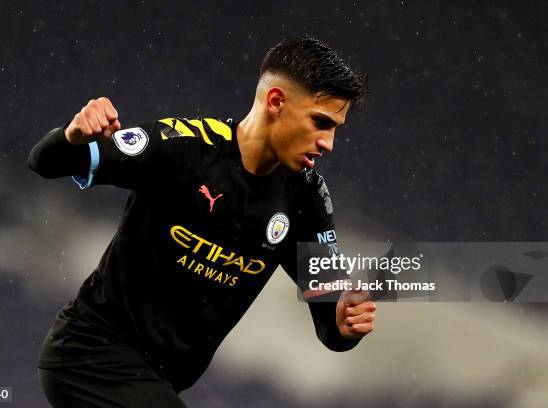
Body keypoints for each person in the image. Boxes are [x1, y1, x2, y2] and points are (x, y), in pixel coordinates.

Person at [28, 35, 376, 407]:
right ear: (276, 102)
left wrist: (345, 324)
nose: (329, 143)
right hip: (89, 356)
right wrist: (74, 135)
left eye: (335, 128)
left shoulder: (305, 198)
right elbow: (45, 162)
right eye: (320, 122)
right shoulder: (184, 148)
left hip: (157, 379)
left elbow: (330, 318)